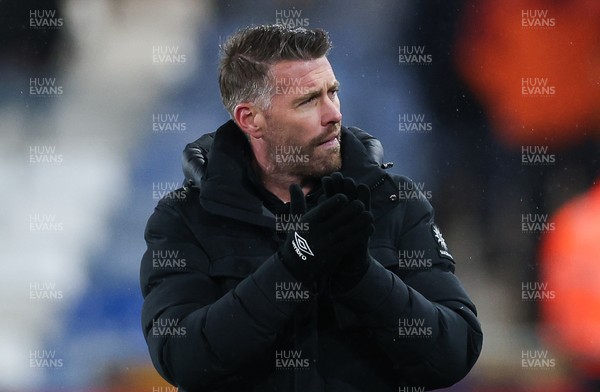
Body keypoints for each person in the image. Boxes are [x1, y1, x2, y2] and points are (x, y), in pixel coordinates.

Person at [140, 24, 483, 392]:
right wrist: (292, 268)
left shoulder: (393, 202)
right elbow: (182, 358)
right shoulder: (184, 217)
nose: (333, 114)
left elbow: (454, 352)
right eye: (308, 101)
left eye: (332, 93)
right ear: (250, 119)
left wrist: (362, 278)